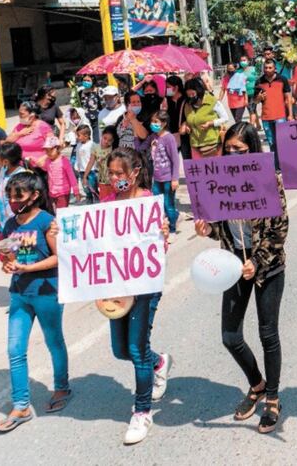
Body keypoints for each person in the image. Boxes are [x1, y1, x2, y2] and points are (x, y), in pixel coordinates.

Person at [194, 122, 289, 433]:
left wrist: (257, 263)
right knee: (230, 337)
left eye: (240, 149)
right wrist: (208, 229)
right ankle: (257, 384)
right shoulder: (219, 180)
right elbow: (223, 228)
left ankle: (272, 397)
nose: (233, 154)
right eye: (229, 148)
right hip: (232, 264)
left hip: (267, 267)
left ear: (253, 150)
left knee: (267, 334)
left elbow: (279, 231)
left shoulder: (269, 181)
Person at [103, 147, 172, 445]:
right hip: (116, 288)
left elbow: (158, 249)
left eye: (120, 173)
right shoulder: (106, 202)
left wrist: (163, 233)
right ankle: (158, 363)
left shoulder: (147, 203)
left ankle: (142, 411)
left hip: (143, 288)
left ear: (134, 172)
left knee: (136, 348)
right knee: (121, 350)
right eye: (112, 173)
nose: (116, 178)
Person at [0, 171, 71, 432]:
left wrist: (30, 268)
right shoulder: (9, 224)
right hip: (19, 294)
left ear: (35, 195)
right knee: (15, 350)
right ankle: (21, 405)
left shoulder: (47, 222)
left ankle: (62, 388)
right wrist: (8, 265)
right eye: (10, 196)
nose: (14, 201)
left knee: (54, 342)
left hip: (46, 292)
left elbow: (59, 257)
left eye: (19, 195)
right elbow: (7, 257)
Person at [255, 59, 293, 168]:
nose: (267, 70)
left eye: (270, 68)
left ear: (274, 68)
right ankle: (276, 167)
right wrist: (259, 97)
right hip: (266, 117)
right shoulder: (259, 81)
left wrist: (290, 114)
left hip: (280, 116)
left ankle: (286, 165)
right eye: (266, 68)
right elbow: (255, 101)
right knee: (272, 143)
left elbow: (288, 98)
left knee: (282, 143)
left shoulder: (282, 79)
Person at [182, 77, 230, 159]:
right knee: (199, 169)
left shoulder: (212, 101)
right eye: (188, 95)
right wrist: (188, 127)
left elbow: (225, 118)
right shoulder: (187, 105)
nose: (191, 97)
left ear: (199, 91)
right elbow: (189, 120)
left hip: (212, 144)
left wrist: (211, 123)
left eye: (193, 94)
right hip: (195, 144)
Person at [150, 111, 180, 232]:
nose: (153, 124)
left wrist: (175, 179)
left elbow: (175, 159)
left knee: (168, 205)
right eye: (152, 121)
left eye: (156, 122)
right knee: (158, 204)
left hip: (168, 178)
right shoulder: (154, 136)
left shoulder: (169, 138)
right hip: (157, 178)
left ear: (164, 123)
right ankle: (172, 219)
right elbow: (140, 147)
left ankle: (172, 228)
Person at [35, 136, 80, 211]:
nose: (48, 153)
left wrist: (76, 192)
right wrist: (34, 160)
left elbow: (71, 177)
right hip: (52, 192)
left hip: (63, 193)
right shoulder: (48, 161)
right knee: (54, 212)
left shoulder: (64, 161)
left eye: (51, 150)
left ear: (58, 148)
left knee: (61, 212)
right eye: (46, 150)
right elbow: (44, 167)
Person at [0, 143, 25, 232]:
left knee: (15, 245)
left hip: (16, 221)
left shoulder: (21, 175)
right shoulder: (2, 171)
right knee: (3, 244)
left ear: (6, 161)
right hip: (3, 218)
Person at [83, 126, 117, 202]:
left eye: (109, 140)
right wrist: (85, 176)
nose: (106, 141)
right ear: (101, 135)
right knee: (104, 201)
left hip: (113, 181)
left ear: (113, 141)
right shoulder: (95, 148)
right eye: (105, 138)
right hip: (102, 181)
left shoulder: (113, 149)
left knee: (114, 201)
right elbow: (91, 162)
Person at [164, 75, 188, 158]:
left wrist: (185, 124)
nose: (166, 89)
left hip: (185, 135)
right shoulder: (166, 100)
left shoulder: (186, 99)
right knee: (171, 161)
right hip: (171, 135)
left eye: (168, 87)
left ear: (176, 87)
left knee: (187, 159)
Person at [73, 124, 97, 204]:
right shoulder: (78, 145)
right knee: (85, 187)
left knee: (92, 187)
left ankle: (96, 200)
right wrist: (77, 165)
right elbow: (78, 157)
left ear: (86, 136)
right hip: (82, 170)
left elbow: (93, 158)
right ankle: (89, 199)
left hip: (91, 171)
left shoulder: (92, 145)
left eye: (79, 135)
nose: (77, 137)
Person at [78, 75, 102, 142]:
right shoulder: (80, 92)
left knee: (96, 140)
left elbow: (103, 106)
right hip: (85, 121)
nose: (86, 82)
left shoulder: (98, 91)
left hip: (96, 120)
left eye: (88, 80)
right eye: (84, 80)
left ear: (93, 81)